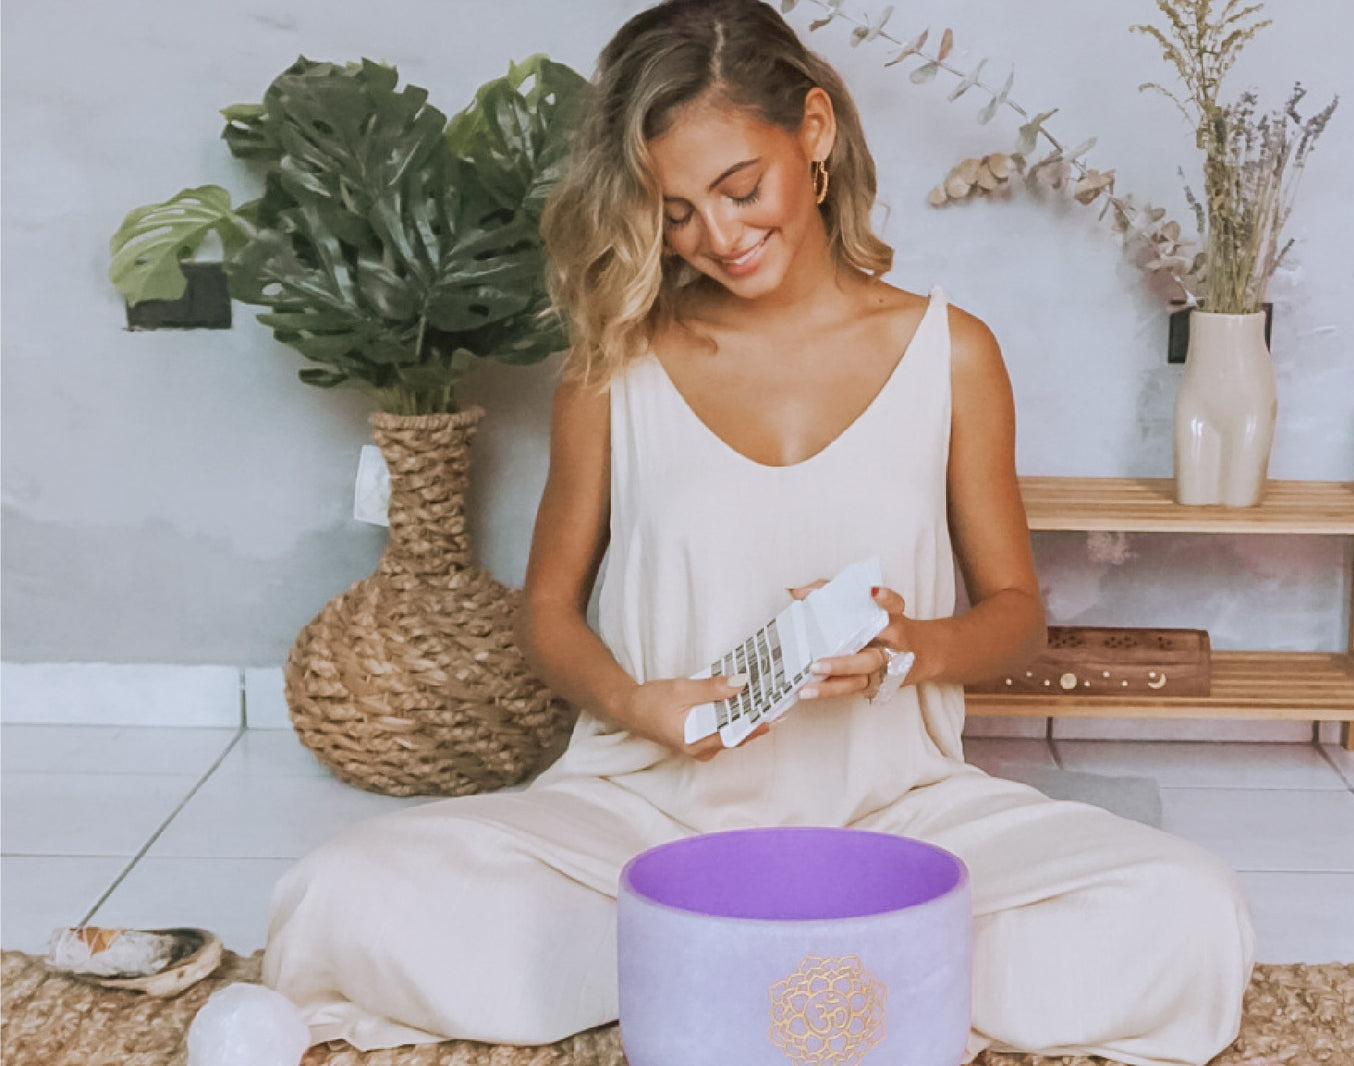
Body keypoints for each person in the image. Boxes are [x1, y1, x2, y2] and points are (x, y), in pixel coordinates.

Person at [262, 0, 1255, 1062]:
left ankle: (717, 976)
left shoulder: (951, 353)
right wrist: (634, 702)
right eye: (675, 210)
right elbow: (546, 613)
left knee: (1187, 909)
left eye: (740, 189)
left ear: (815, 132)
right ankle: (846, 983)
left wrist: (909, 646)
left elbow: (1017, 619)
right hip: (648, 823)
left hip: (895, 820)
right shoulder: (615, 364)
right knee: (337, 895)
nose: (718, 237)